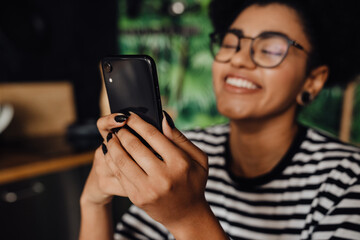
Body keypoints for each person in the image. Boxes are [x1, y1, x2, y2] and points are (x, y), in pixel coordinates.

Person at [79, 0, 360, 239]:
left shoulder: (349, 179)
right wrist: (92, 202)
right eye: (230, 43)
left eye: (271, 49)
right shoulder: (183, 156)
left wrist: (188, 218)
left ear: (312, 80)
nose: (238, 59)